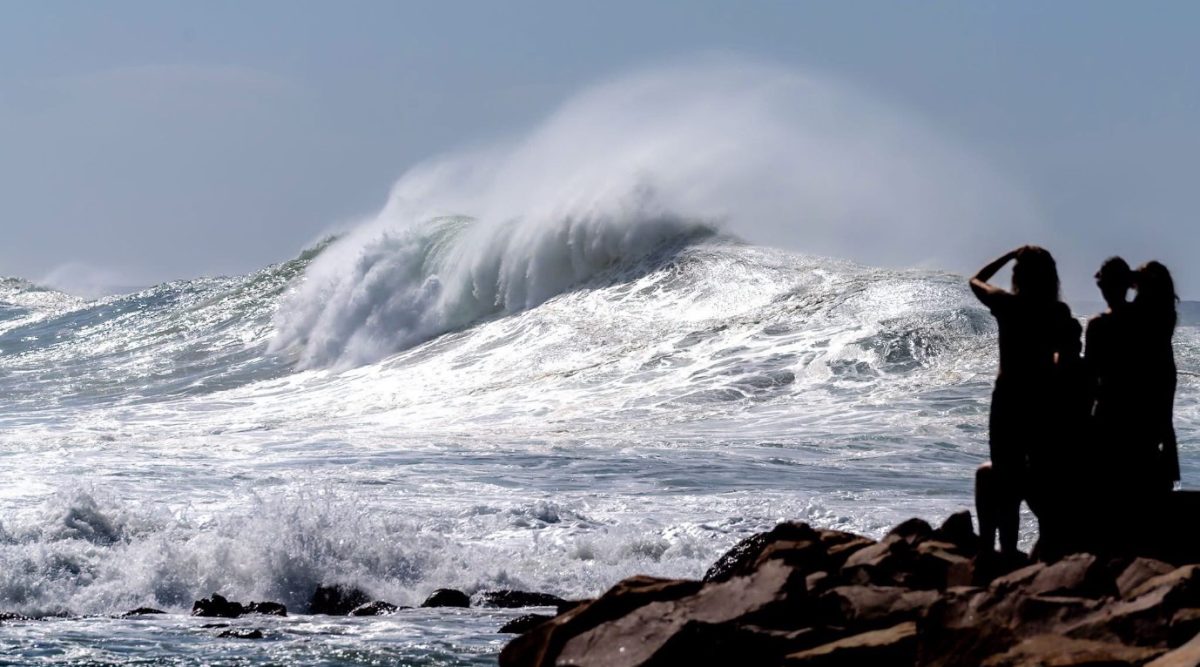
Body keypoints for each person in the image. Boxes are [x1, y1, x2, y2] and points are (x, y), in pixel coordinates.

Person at [970, 246, 1076, 557]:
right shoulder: (1058, 313)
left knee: (1006, 478)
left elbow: (976, 279)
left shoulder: (1007, 304)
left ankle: (1004, 551)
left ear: (1018, 274)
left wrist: (1007, 255)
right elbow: (1067, 359)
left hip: (1008, 400)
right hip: (1043, 401)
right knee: (1043, 478)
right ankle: (1050, 550)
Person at [1130, 261, 1180, 494]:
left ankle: (1161, 474)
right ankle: (1169, 473)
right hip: (1165, 368)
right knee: (1163, 421)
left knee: (1148, 422)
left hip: (1152, 369)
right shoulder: (1166, 308)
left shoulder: (1145, 308)